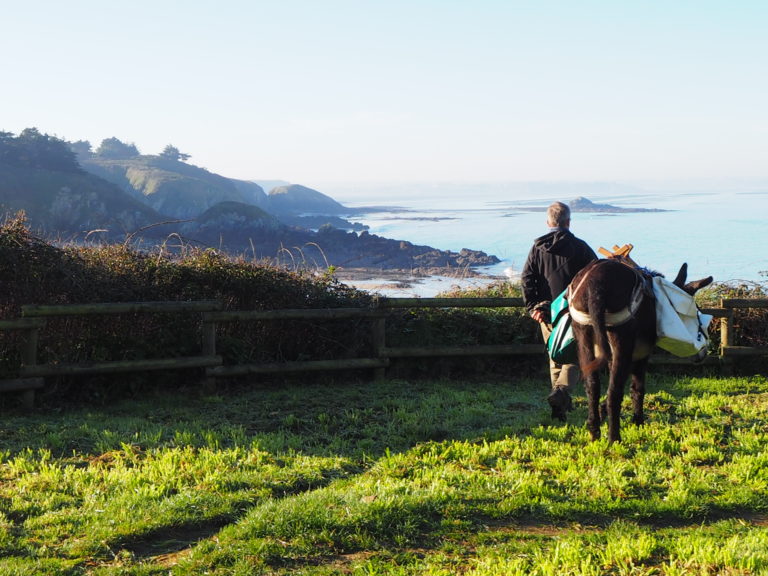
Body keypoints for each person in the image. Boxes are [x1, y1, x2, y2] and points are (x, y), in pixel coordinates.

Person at [521, 201, 597, 420]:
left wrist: (532, 307)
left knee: (555, 357)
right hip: (574, 311)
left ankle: (559, 405)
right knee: (576, 356)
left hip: (546, 311)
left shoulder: (537, 248)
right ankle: (561, 393)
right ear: (568, 222)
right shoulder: (581, 247)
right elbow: (594, 277)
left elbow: (527, 278)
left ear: (548, 222)